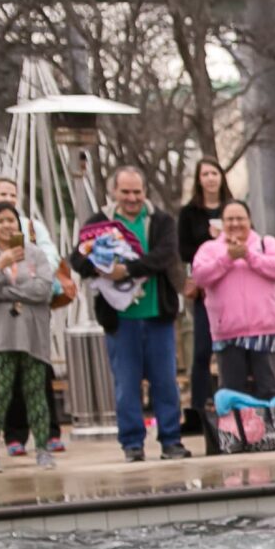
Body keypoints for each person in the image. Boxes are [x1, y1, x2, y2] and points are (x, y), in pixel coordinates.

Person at [85, 164, 187, 462]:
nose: (131, 198)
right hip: (120, 320)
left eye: (137, 191)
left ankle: (171, 439)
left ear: (145, 191)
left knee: (165, 382)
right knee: (126, 385)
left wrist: (126, 270)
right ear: (114, 192)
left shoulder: (161, 220)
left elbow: (164, 255)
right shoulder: (99, 223)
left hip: (157, 313)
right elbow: (78, 258)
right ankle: (132, 443)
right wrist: (101, 268)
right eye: (125, 192)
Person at [0, 175, 70, 457]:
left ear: (20, 224)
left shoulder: (35, 254)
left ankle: (43, 448)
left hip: (32, 333)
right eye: (0, 221)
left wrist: (3, 290)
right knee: (0, 395)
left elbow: (42, 291)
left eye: (11, 221)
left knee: (36, 391)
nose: (6, 225)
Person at [189, 198, 275, 411]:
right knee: (232, 392)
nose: (235, 223)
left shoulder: (266, 244)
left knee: (269, 389)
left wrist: (249, 256)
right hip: (227, 333)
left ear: (249, 220)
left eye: (240, 218)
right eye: (229, 219)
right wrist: (227, 258)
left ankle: (274, 434)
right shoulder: (209, 249)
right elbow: (200, 276)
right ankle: (237, 437)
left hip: (264, 330)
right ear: (222, 223)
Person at [176, 157, 229, 454]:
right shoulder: (189, 213)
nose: (210, 178)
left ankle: (234, 407)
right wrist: (209, 242)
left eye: (214, 173)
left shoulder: (232, 208)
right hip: (204, 289)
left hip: (232, 288)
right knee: (201, 351)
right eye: (204, 173)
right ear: (198, 179)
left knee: (232, 352)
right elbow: (183, 249)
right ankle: (198, 410)